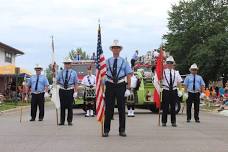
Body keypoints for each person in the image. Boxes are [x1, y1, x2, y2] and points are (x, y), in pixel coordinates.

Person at [103, 40, 132, 137]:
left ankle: (122, 130)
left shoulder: (124, 61)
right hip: (110, 85)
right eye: (114, 48)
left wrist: (128, 88)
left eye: (117, 48)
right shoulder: (107, 61)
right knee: (108, 109)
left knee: (121, 109)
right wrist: (102, 88)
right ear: (112, 50)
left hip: (120, 85)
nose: (116, 49)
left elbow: (128, 74)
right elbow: (103, 75)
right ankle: (106, 130)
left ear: (120, 50)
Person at [162, 56, 182, 127]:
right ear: (166, 64)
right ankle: (164, 121)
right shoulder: (163, 72)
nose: (169, 64)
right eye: (168, 63)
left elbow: (179, 82)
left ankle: (173, 122)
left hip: (174, 90)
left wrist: (180, 90)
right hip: (166, 90)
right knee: (165, 106)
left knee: (173, 107)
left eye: (171, 63)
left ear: (173, 64)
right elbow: (159, 79)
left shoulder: (176, 72)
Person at [57, 58, 78, 126]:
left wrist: (76, 92)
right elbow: (57, 81)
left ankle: (69, 121)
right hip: (62, 90)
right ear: (64, 64)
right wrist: (54, 76)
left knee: (70, 106)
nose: (66, 65)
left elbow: (76, 83)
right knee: (62, 106)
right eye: (65, 63)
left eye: (68, 63)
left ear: (70, 64)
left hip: (70, 89)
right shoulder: (60, 72)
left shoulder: (74, 72)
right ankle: (62, 121)